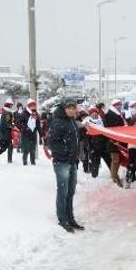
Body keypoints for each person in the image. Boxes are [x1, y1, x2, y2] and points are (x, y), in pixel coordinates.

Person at [48, 98, 84, 233]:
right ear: (64, 109)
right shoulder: (58, 122)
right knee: (63, 191)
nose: (71, 110)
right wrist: (67, 153)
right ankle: (62, 219)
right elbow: (51, 143)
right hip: (62, 162)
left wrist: (74, 157)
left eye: (73, 108)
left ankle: (70, 217)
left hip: (72, 161)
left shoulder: (72, 121)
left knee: (71, 192)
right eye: (68, 108)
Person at [103, 99, 127, 187]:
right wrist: (113, 140)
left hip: (118, 140)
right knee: (115, 160)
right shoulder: (110, 115)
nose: (120, 106)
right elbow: (109, 129)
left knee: (117, 160)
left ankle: (114, 175)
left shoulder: (117, 114)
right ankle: (114, 176)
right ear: (114, 106)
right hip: (113, 141)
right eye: (118, 105)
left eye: (120, 105)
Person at [0, 98, 16, 166]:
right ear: (9, 105)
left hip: (5, 133)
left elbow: (9, 122)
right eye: (11, 105)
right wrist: (11, 126)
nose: (11, 106)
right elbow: (6, 123)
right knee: (3, 148)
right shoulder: (6, 112)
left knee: (9, 146)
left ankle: (9, 160)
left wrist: (12, 124)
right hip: (4, 134)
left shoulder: (7, 112)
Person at [17, 99, 41, 166]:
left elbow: (38, 125)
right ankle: (25, 162)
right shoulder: (24, 113)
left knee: (33, 149)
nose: (33, 107)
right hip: (25, 134)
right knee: (26, 149)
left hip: (33, 134)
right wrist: (25, 127)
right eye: (32, 106)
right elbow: (19, 123)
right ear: (29, 106)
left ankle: (33, 162)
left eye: (34, 106)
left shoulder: (36, 114)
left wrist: (41, 134)